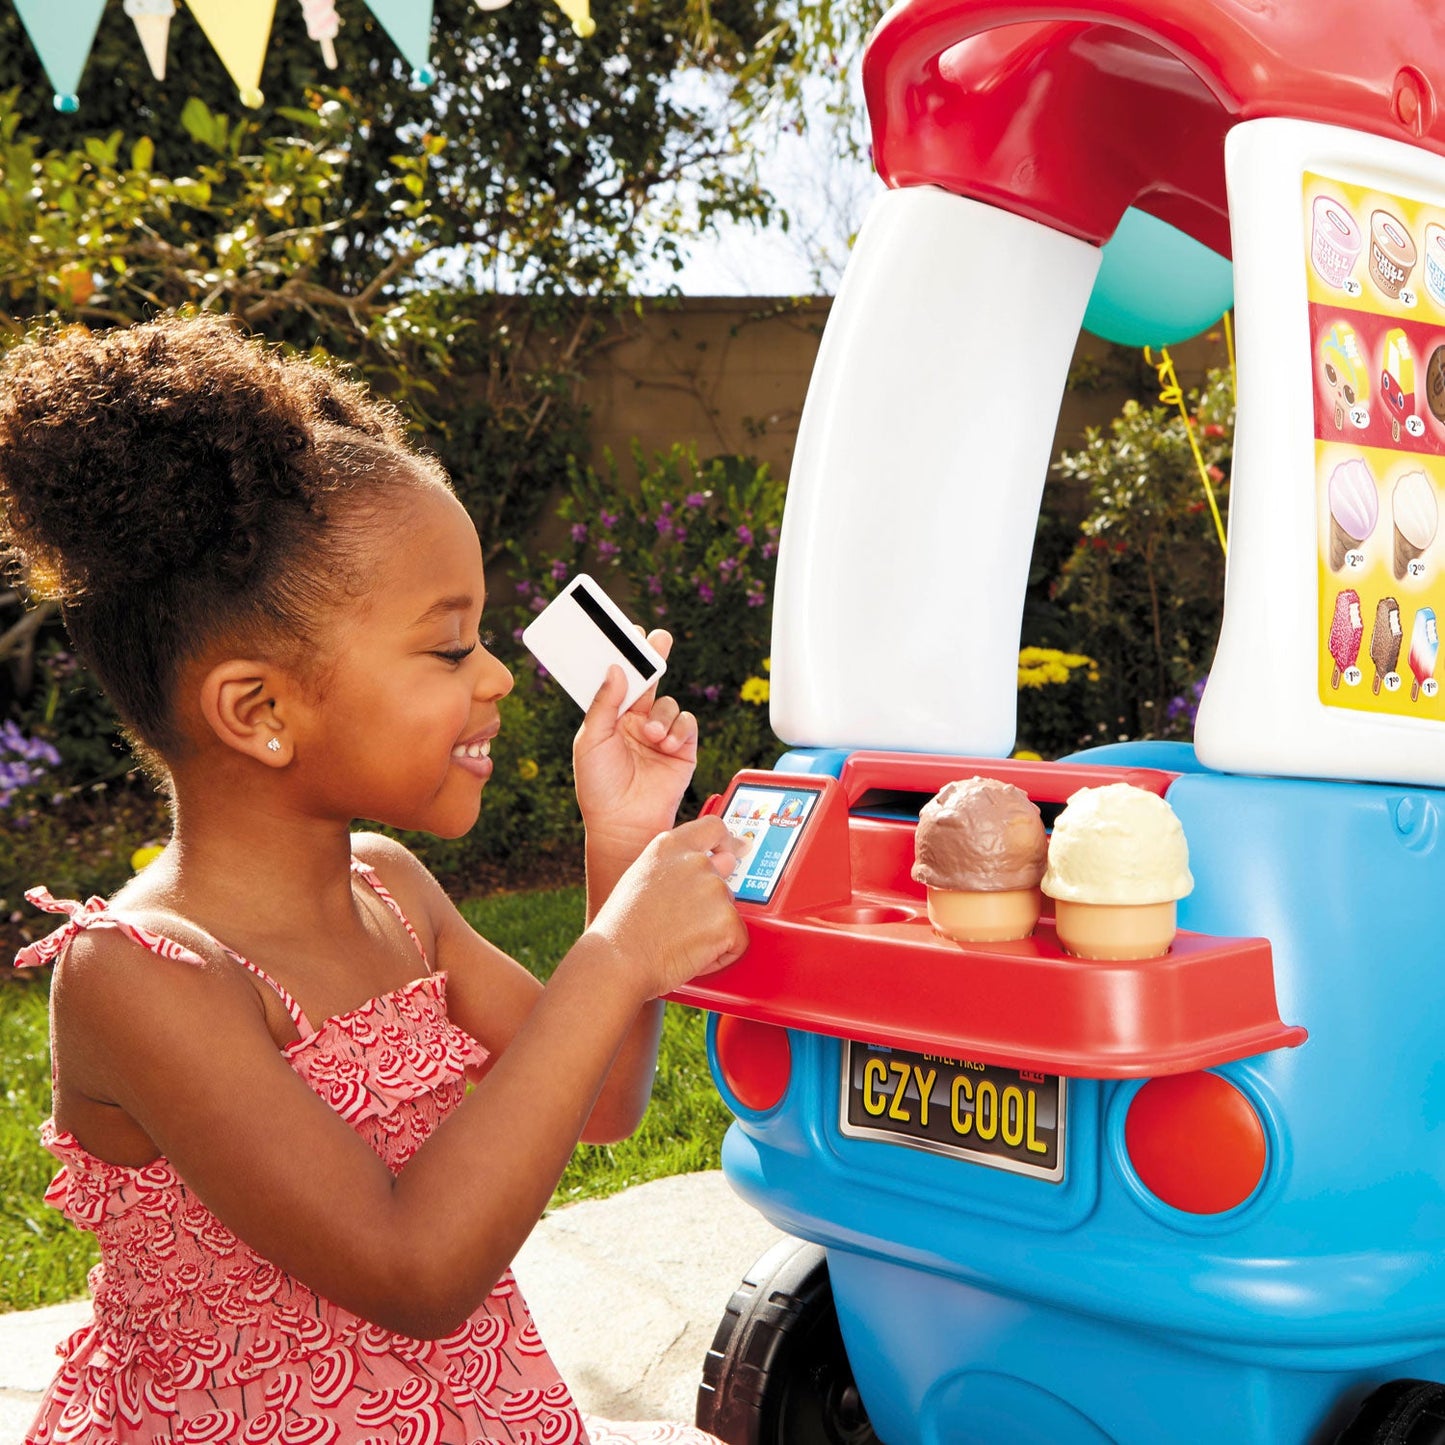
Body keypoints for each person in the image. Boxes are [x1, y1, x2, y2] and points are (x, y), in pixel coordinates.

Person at [0, 313, 749, 1445]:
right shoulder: (139, 975)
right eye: (449, 647)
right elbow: (413, 1269)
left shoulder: (391, 890)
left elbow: (597, 1099)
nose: (496, 674)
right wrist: (615, 955)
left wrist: (620, 845)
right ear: (260, 711)